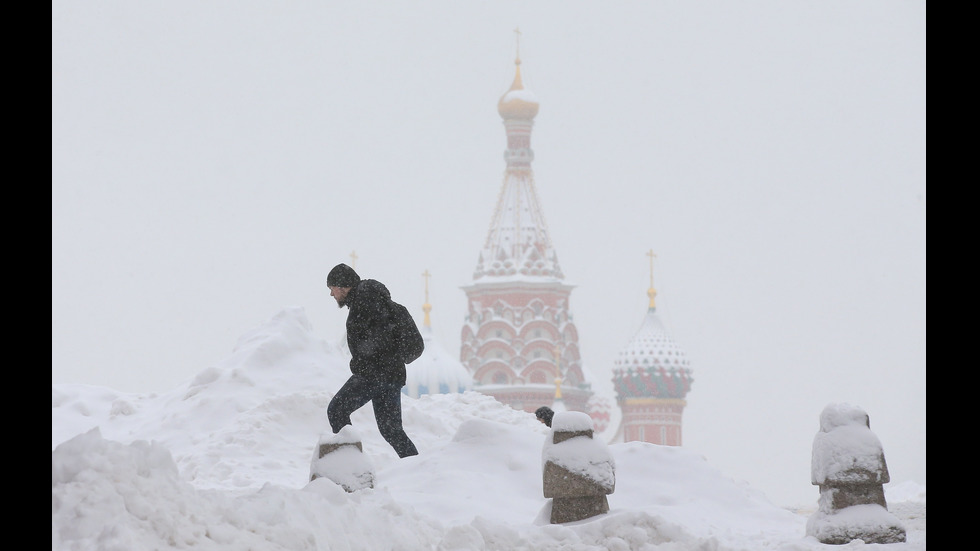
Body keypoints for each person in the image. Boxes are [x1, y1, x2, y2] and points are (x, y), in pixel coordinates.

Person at [325, 263, 419, 458]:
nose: (331, 295)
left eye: (331, 288)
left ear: (342, 286)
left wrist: (361, 363)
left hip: (374, 375)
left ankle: (349, 466)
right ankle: (419, 468)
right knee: (391, 429)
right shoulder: (377, 301)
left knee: (336, 410)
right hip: (392, 375)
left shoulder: (364, 303)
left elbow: (375, 341)